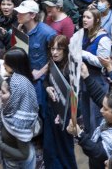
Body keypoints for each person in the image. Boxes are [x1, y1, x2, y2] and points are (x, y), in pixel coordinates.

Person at [0, 38, 40, 168]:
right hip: (10, 160)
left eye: (4, 93)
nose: (0, 93)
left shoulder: (20, 121)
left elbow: (23, 154)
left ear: (15, 97)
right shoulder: (18, 87)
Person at [71, 8, 111, 135]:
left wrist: (84, 54)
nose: (84, 20)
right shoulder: (84, 33)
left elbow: (102, 62)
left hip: (97, 80)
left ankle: (97, 140)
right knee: (86, 111)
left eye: (88, 17)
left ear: (97, 20)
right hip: (84, 79)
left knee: (97, 114)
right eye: (84, 17)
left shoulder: (104, 38)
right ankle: (88, 135)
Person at [43, 35, 77, 169]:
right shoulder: (51, 61)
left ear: (65, 50)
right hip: (51, 110)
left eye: (58, 49)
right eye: (52, 49)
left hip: (65, 115)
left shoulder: (70, 69)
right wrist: (47, 88)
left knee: (65, 148)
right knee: (49, 147)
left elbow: (75, 97)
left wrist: (70, 119)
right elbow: (46, 80)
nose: (54, 52)